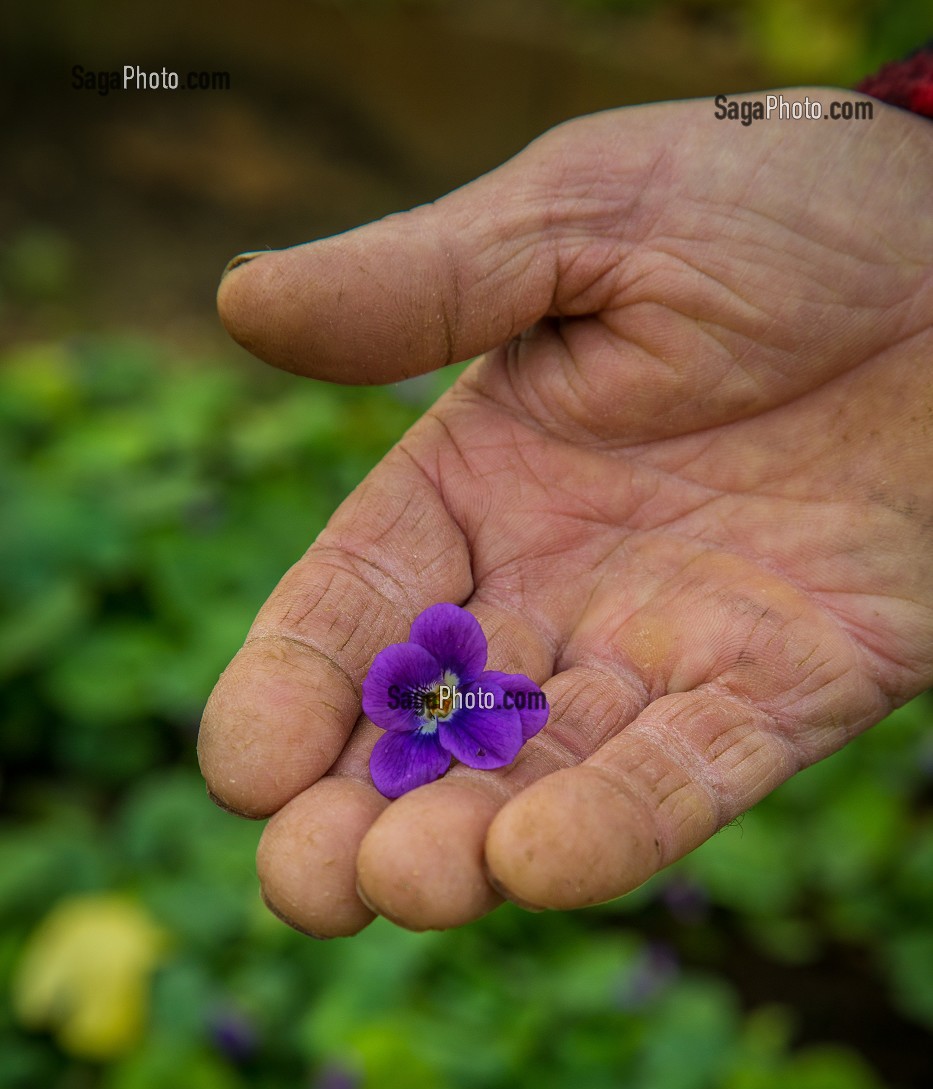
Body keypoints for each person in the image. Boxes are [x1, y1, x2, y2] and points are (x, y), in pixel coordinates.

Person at [197, 83, 932, 939]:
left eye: (436, 700)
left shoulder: (460, 691)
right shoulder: (464, 702)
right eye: (434, 703)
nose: (436, 704)